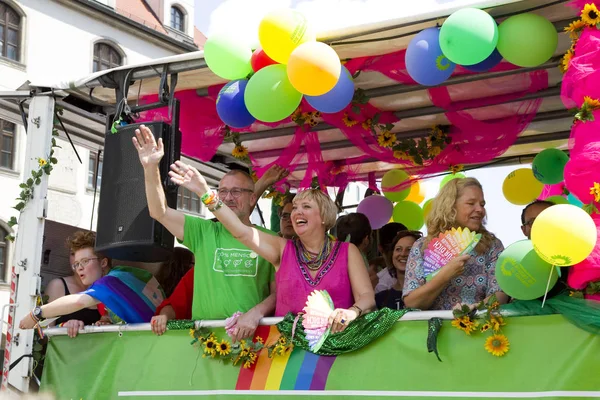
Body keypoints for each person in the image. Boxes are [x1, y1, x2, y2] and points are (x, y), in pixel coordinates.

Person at [167, 159, 375, 333]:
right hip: (286, 351)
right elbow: (240, 230)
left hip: (337, 345)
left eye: (306, 207)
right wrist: (207, 195)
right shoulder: (283, 249)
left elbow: (366, 297)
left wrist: (352, 312)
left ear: (324, 217)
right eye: (294, 208)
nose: (296, 212)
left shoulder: (347, 252)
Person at [133, 125, 283, 340]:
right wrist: (150, 167)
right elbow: (160, 212)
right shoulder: (203, 230)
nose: (229, 197)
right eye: (223, 191)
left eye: (237, 191)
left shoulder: (269, 239)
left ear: (253, 198)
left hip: (253, 340)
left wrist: (255, 313)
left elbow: (279, 293)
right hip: (206, 342)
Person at [19, 231, 164, 337]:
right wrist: (106, 321)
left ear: (103, 262)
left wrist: (36, 314)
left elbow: (78, 301)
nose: (79, 268)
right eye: (76, 264)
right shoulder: (122, 278)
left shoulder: (110, 283)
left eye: (85, 261)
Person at [403, 178, 508, 310]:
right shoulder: (422, 246)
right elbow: (412, 303)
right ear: (450, 206)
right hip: (434, 328)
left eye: (482, 204)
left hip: (479, 325)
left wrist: (475, 309)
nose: (480, 209)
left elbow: (500, 294)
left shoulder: (491, 245)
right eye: (471, 203)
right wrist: (445, 275)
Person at [44, 232, 101, 328]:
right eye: (73, 254)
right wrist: (63, 326)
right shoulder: (57, 285)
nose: (77, 260)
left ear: (102, 262)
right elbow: (43, 333)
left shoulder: (107, 288)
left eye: (85, 260)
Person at [520, 200, 569, 299]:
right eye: (533, 222)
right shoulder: (517, 261)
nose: (540, 225)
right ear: (524, 230)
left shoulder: (575, 257)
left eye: (547, 220)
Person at [375, 230, 422, 310]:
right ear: (392, 254)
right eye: (398, 249)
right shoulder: (380, 298)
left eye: (410, 250)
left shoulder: (427, 296)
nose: (403, 254)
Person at [371, 222, 408, 293]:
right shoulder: (426, 276)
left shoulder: (376, 283)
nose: (403, 254)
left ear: (380, 248)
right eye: (398, 249)